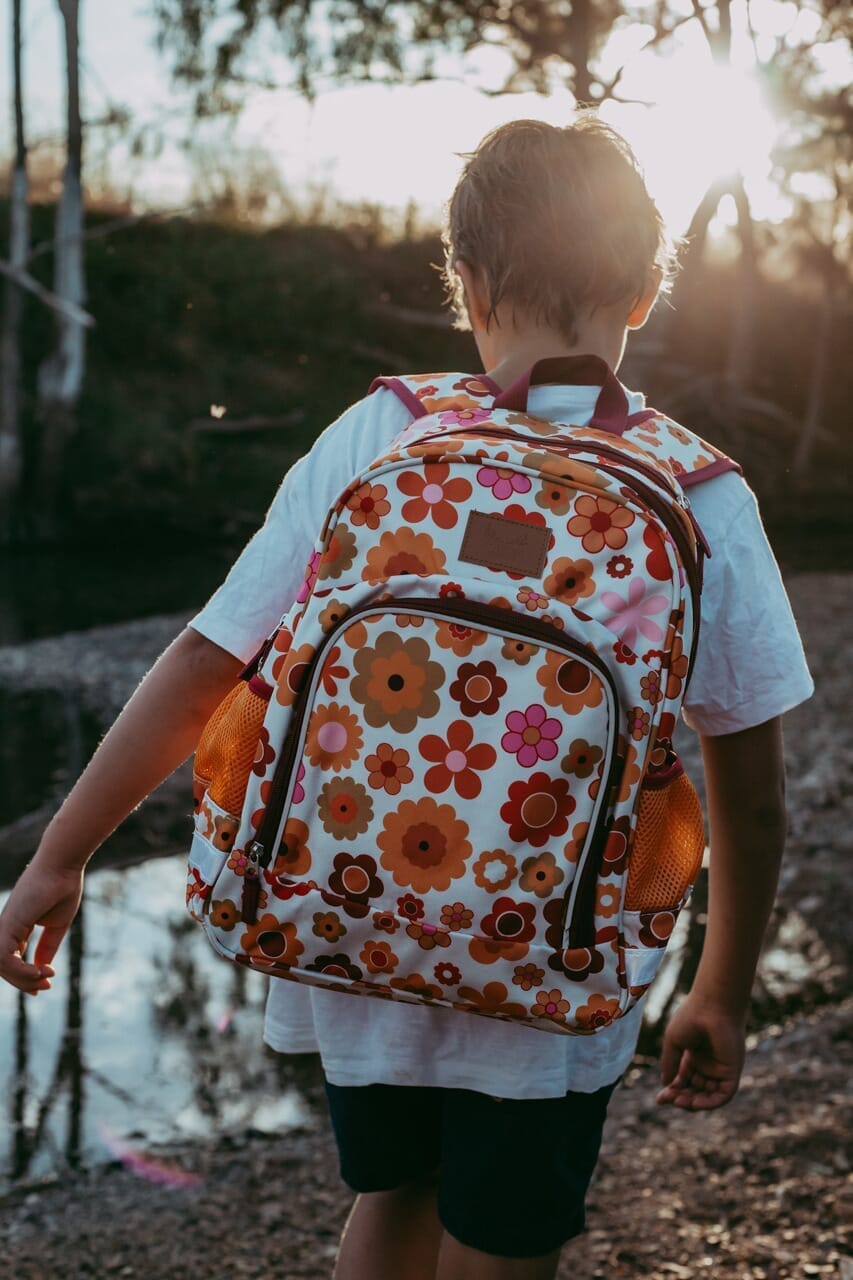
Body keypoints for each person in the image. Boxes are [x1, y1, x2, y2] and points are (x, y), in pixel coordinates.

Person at [0, 116, 813, 1280]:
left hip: (351, 922)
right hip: (554, 956)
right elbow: (751, 791)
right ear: (642, 292)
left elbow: (205, 658)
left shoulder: (382, 433)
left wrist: (62, 853)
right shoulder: (699, 492)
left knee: (391, 1200)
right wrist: (719, 991)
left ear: (466, 284)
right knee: (504, 1238)